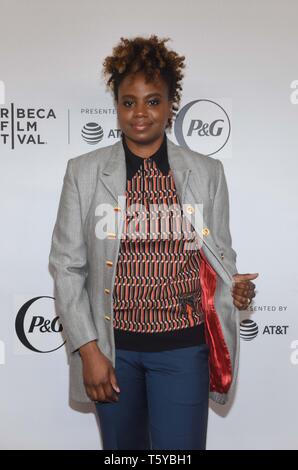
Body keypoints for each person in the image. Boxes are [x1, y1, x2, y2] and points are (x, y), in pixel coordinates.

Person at [49, 35, 258, 450]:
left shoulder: (207, 172)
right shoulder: (83, 173)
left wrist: (236, 286)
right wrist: (89, 351)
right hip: (112, 349)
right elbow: (67, 268)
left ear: (170, 105)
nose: (140, 113)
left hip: (183, 348)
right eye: (129, 102)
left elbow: (221, 257)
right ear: (117, 107)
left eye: (153, 101)